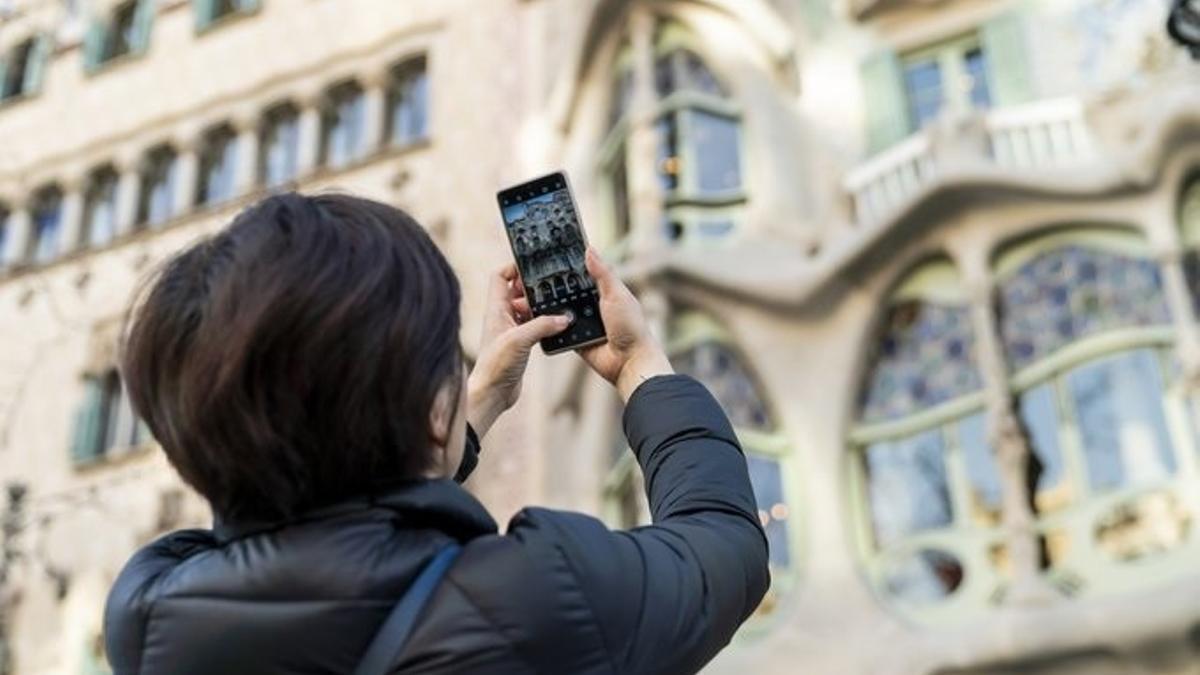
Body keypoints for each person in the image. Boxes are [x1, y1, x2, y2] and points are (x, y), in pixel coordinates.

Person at [103, 193, 770, 674]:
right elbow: (725, 542)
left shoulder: (149, 612)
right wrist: (638, 364)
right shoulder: (536, 600)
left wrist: (469, 406)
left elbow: (333, 525)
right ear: (430, 409)